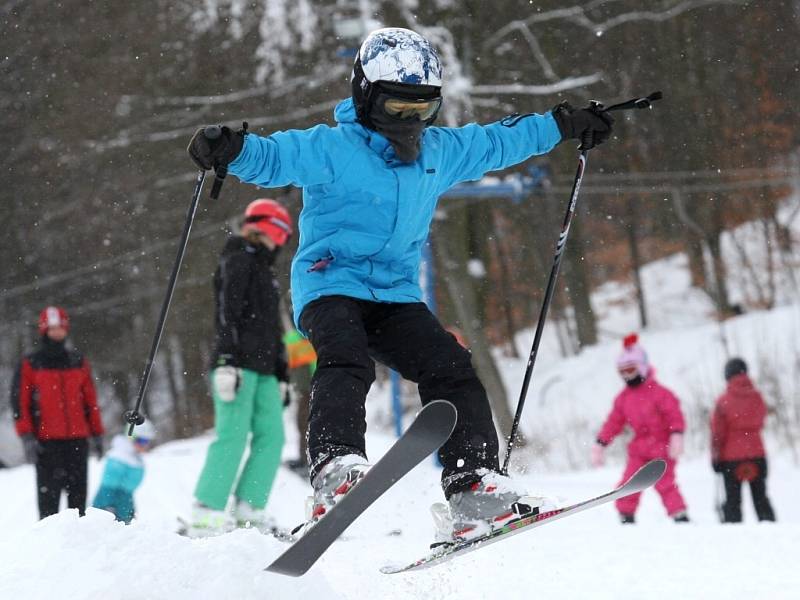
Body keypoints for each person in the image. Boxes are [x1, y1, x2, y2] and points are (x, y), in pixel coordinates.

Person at [187, 27, 613, 543]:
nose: (409, 123)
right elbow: (274, 156)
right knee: (346, 358)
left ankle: (472, 486)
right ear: (365, 96)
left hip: (393, 296)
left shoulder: (439, 151)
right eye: (397, 108)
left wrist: (563, 124)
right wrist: (229, 149)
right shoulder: (332, 148)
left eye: (422, 110)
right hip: (330, 287)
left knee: (451, 366)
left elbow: (500, 140)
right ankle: (335, 469)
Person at [189, 199, 293, 537]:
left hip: (265, 370)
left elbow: (274, 328)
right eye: (280, 232)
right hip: (237, 365)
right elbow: (227, 314)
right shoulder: (236, 258)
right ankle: (206, 512)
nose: (281, 240)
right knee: (232, 436)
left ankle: (250, 509)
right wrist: (226, 361)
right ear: (263, 227)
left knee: (273, 438)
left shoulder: (266, 271)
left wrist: (282, 374)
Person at [11, 306, 105, 519]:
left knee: (78, 505)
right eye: (52, 328)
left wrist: (97, 433)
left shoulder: (78, 360)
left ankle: (80, 546)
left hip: (78, 441)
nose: (57, 332)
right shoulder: (31, 363)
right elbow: (20, 403)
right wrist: (26, 436)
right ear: (44, 330)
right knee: (48, 507)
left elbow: (90, 400)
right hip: (46, 443)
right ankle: (49, 548)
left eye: (60, 327)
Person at [591, 334, 689, 523]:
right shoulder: (624, 398)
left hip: (662, 448)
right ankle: (626, 515)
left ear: (642, 367)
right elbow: (614, 422)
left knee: (665, 483)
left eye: (631, 369)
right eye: (622, 372)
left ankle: (679, 515)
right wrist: (601, 443)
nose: (627, 375)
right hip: (639, 449)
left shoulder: (660, 393)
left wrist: (677, 434)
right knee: (629, 482)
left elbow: (674, 414)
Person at [711, 358, 776, 523]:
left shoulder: (723, 401)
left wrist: (715, 457)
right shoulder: (757, 397)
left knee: (733, 501)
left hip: (731, 459)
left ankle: (733, 533)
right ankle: (770, 528)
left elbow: (717, 433)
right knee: (760, 497)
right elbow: (761, 420)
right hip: (757, 454)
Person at [92, 419, 156, 524]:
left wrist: (130, 511)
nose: (145, 445)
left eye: (147, 441)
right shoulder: (118, 460)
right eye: (142, 441)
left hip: (124, 508)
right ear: (131, 438)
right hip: (111, 512)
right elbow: (108, 491)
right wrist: (108, 512)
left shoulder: (135, 459)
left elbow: (127, 492)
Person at [282, 328, 317, 473]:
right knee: (304, 423)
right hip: (306, 387)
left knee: (305, 423)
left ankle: (308, 460)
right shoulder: (293, 339)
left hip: (311, 386)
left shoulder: (296, 338)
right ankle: (305, 458)